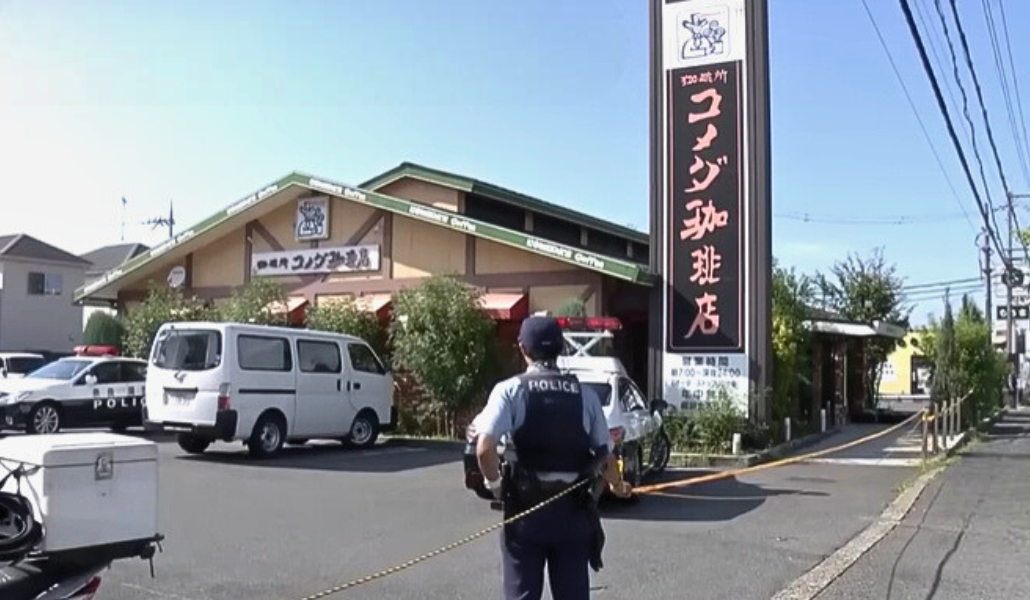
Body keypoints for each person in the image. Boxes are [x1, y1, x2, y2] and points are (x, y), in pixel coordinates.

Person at [476, 315, 626, 600]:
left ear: (522, 348)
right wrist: (618, 485)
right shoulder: (585, 395)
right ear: (560, 348)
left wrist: (495, 485)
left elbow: (484, 447)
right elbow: (606, 457)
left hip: (525, 510)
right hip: (573, 512)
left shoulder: (510, 390)